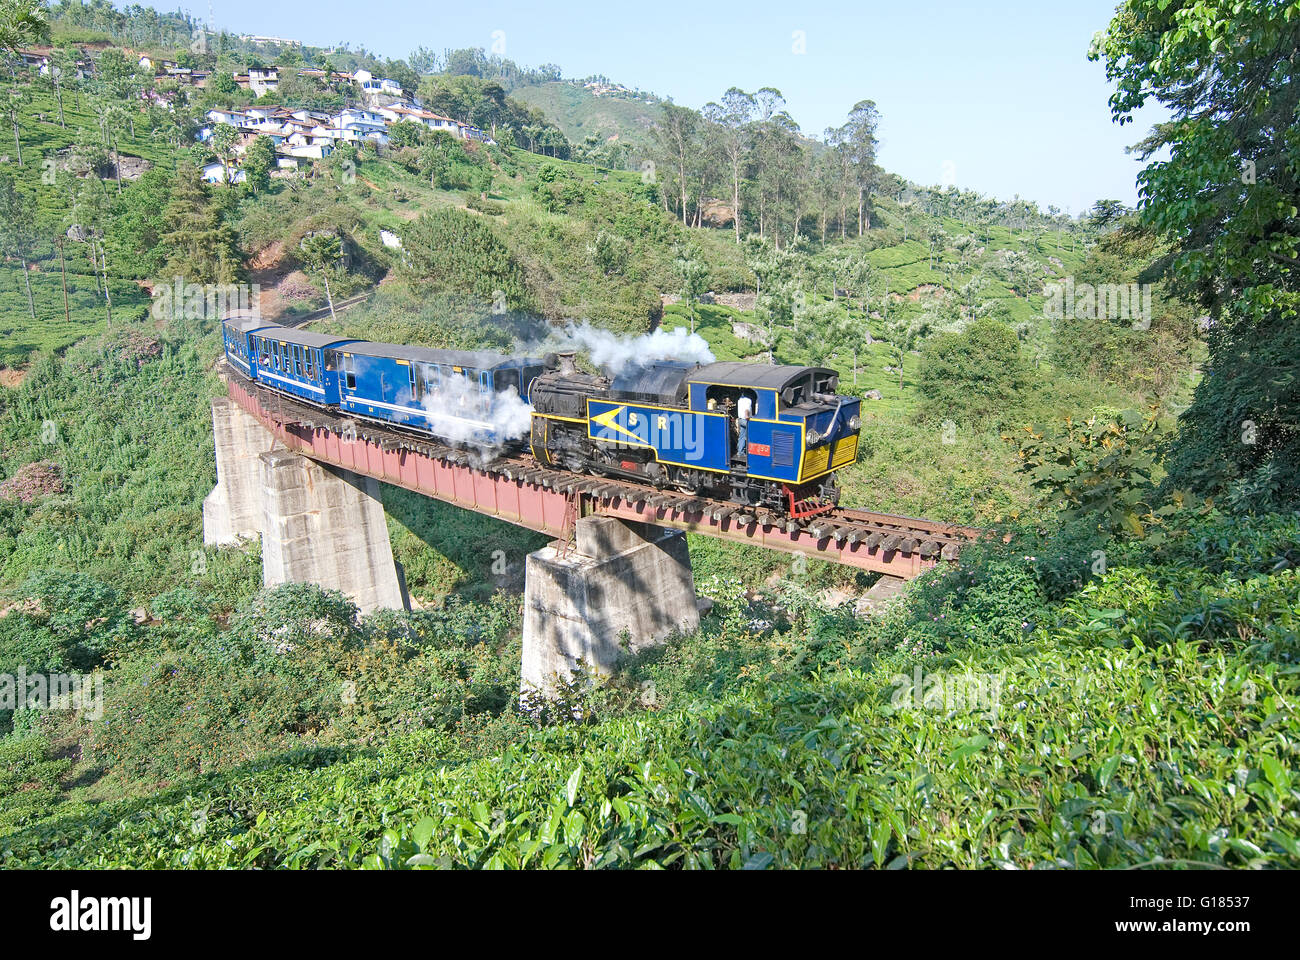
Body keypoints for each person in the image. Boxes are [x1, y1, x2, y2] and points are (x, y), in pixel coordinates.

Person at [735, 394, 752, 459]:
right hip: (745, 420)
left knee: (742, 436)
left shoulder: (740, 399)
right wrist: (747, 416)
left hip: (740, 420)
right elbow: (746, 410)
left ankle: (740, 452)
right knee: (754, 431)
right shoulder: (748, 400)